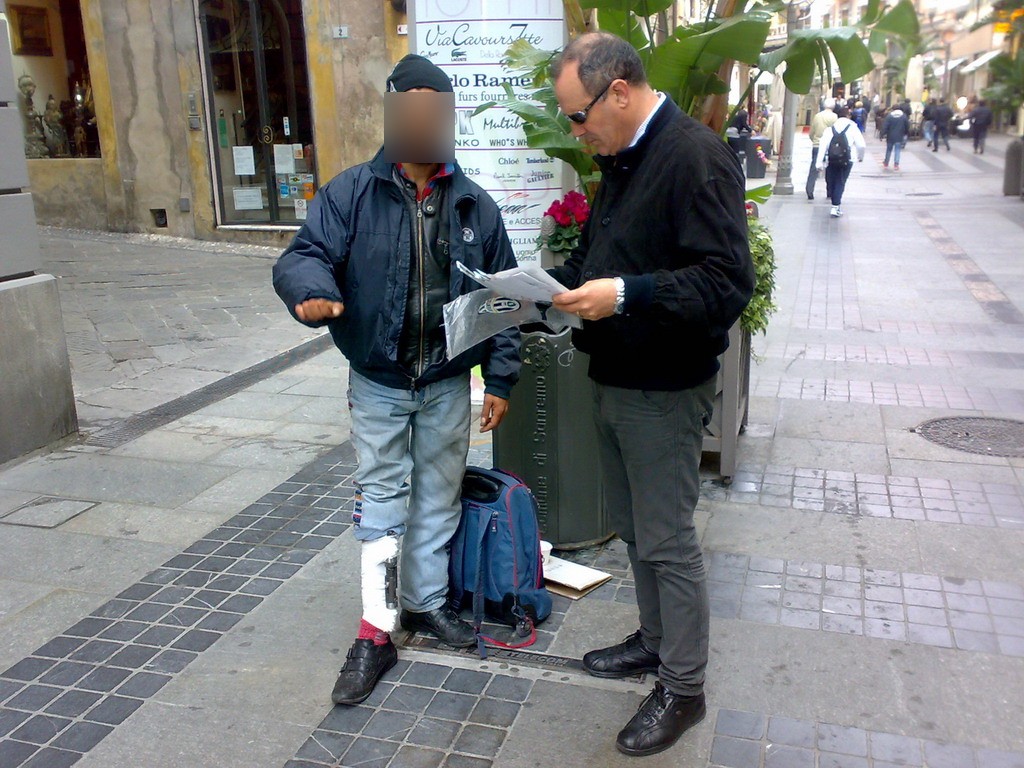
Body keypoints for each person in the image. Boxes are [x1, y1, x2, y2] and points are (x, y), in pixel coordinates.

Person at [272, 54, 521, 706]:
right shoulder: (351, 194)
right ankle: (376, 629)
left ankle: (425, 602)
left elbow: (503, 297)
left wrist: (500, 380)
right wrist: (311, 291)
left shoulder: (474, 204)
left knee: (438, 497)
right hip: (379, 382)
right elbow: (305, 255)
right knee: (383, 501)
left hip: (446, 381)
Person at [545, 32, 754, 758]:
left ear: (619, 91)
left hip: (664, 389)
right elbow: (600, 256)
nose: (577, 131)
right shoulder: (621, 158)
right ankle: (657, 640)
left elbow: (726, 283)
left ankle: (684, 688)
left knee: (666, 540)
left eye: (579, 116)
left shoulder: (695, 156)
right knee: (636, 530)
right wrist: (546, 291)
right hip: (615, 376)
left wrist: (627, 294)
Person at [818, 105, 866, 217]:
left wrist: (818, 162)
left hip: (831, 159)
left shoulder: (830, 129)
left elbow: (823, 145)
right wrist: (860, 157)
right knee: (840, 181)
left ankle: (833, 196)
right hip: (847, 159)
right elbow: (861, 145)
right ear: (848, 115)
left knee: (832, 180)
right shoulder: (853, 128)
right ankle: (835, 206)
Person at [806, 97, 837, 200]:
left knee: (814, 168)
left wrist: (814, 140)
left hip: (817, 144)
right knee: (830, 168)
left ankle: (809, 189)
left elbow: (812, 131)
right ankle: (830, 191)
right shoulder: (834, 117)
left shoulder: (817, 116)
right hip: (829, 146)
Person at [880, 104, 910, 170]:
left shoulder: (889, 116)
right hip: (899, 136)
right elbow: (907, 126)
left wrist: (882, 134)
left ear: (893, 109)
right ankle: (896, 164)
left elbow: (885, 126)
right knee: (897, 150)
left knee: (888, 150)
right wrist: (906, 133)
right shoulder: (903, 116)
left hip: (890, 136)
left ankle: (886, 163)